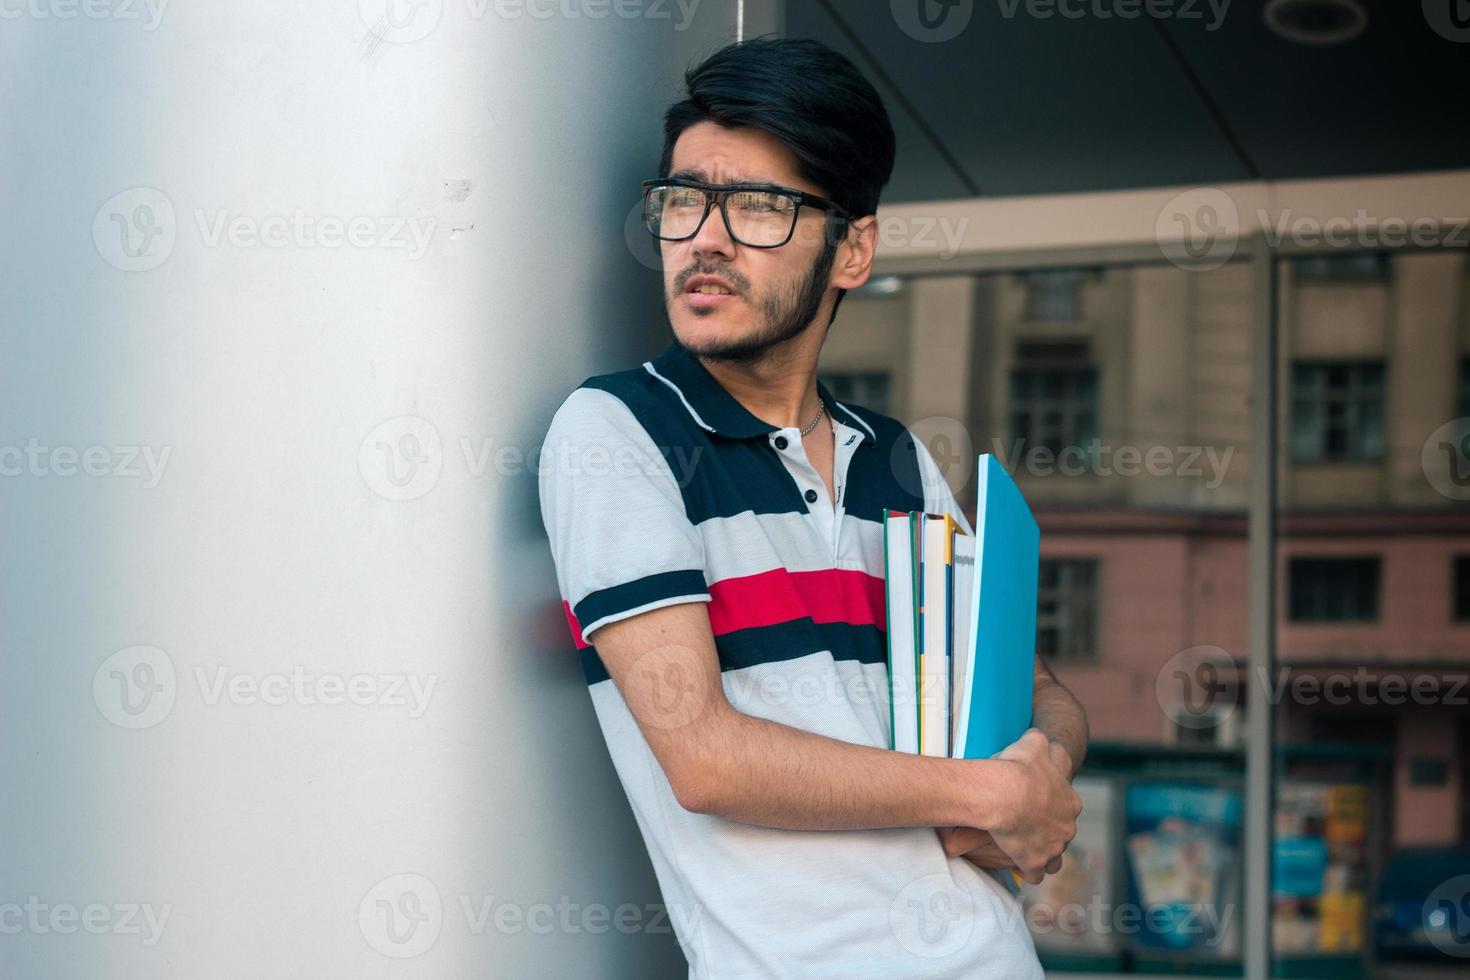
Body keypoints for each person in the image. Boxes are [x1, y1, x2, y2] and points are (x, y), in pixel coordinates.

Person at [537, 35, 1086, 979]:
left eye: (758, 206)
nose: (705, 239)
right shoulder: (617, 430)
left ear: (853, 248)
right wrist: (989, 793)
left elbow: (1040, 695)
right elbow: (706, 758)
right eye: (683, 201)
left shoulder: (899, 461)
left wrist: (1041, 780)